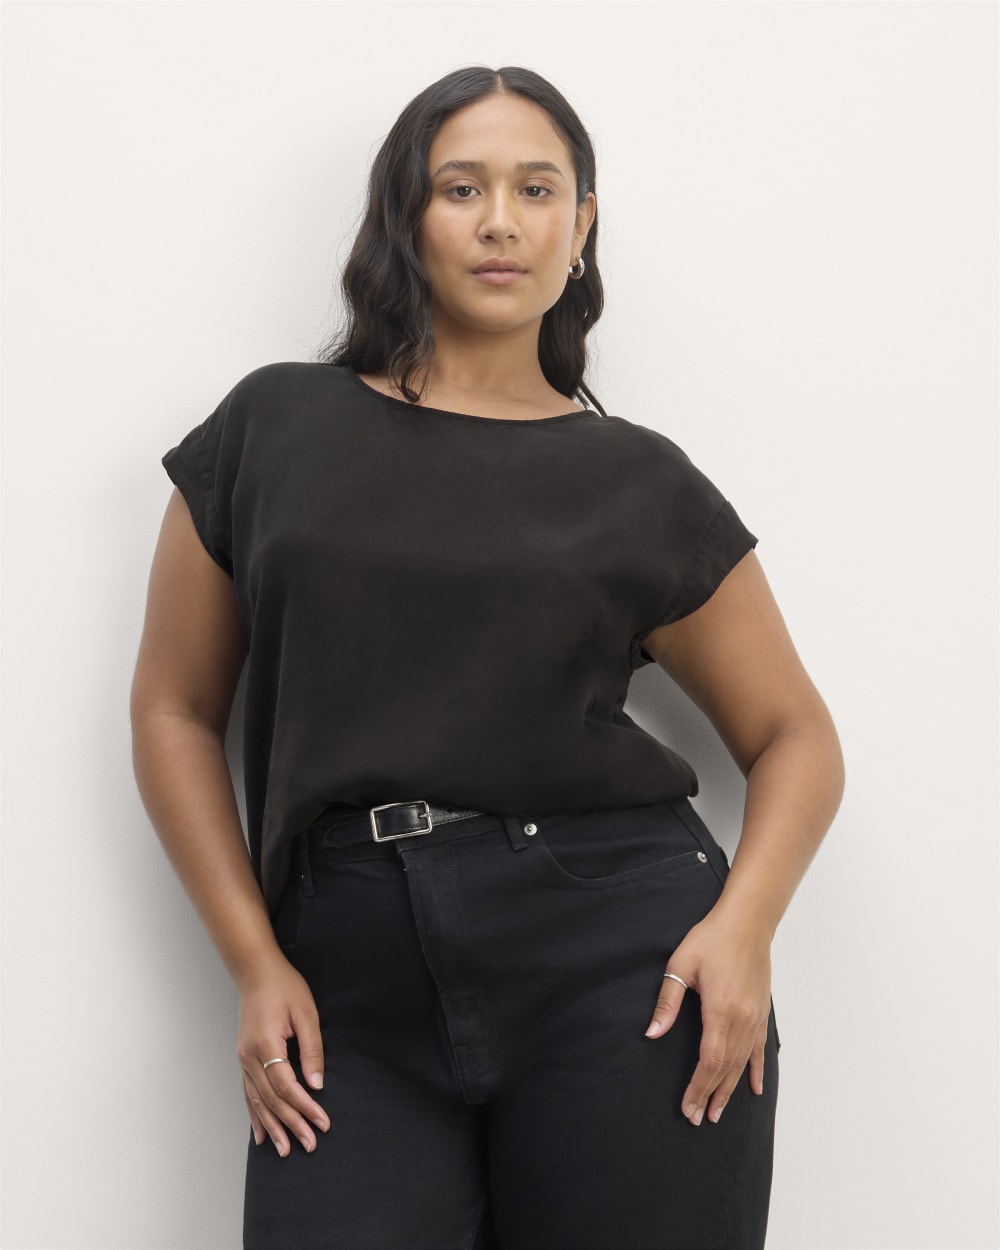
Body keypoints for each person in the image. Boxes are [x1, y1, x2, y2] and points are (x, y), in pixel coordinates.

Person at [130, 65, 845, 1250]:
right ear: (405, 213)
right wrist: (252, 960)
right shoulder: (275, 425)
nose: (500, 220)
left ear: (582, 222)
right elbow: (173, 707)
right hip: (346, 981)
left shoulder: (637, 478)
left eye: (536, 189)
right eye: (460, 187)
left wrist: (745, 928)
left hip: (621, 969)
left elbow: (795, 735)